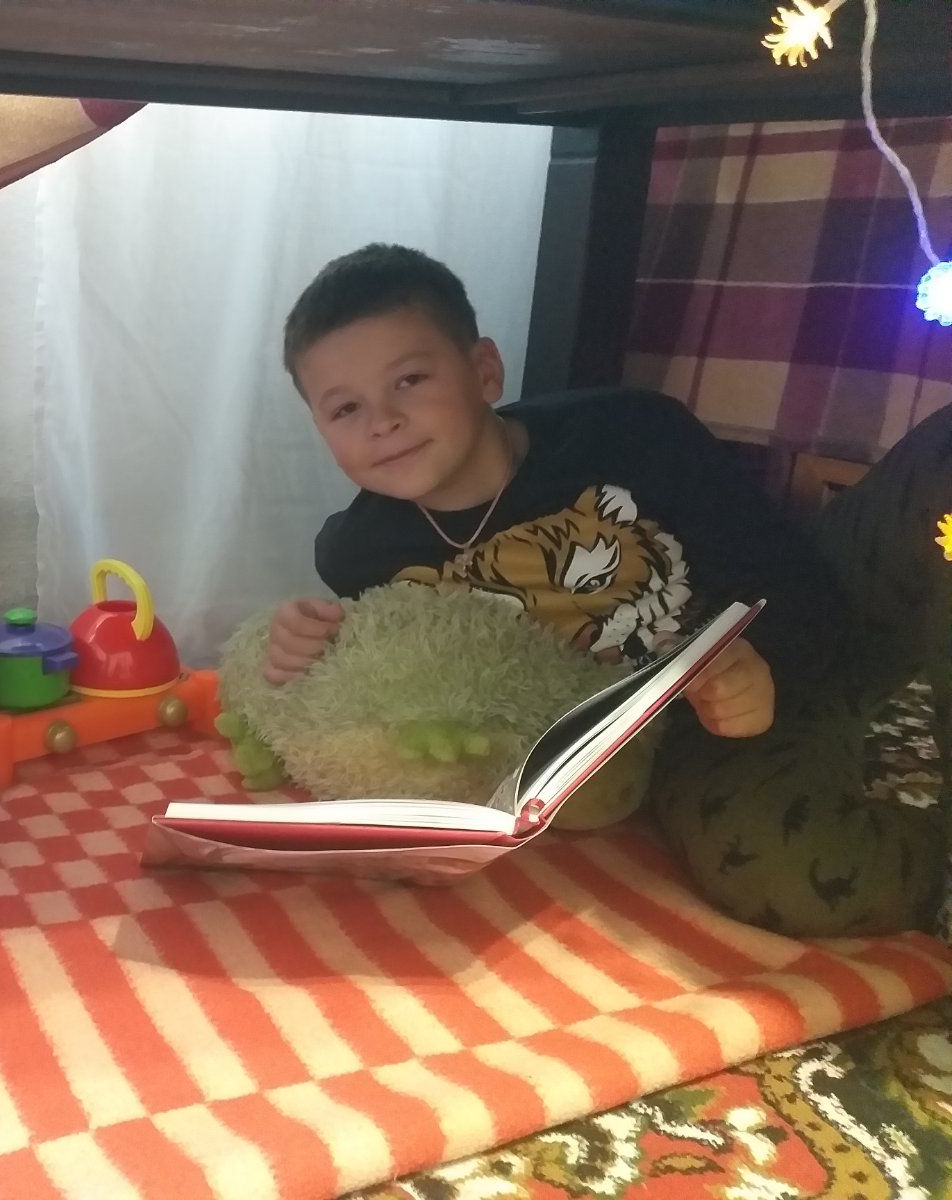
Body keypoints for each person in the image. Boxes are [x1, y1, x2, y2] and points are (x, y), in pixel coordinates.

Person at [266, 242, 952, 937]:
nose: (382, 421)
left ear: (484, 371)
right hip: (689, 742)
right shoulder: (358, 552)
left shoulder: (632, 432)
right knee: (795, 876)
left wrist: (767, 664)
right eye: (344, 409)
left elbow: (787, 572)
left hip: (797, 635)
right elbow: (389, 685)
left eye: (410, 380)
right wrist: (304, 645)